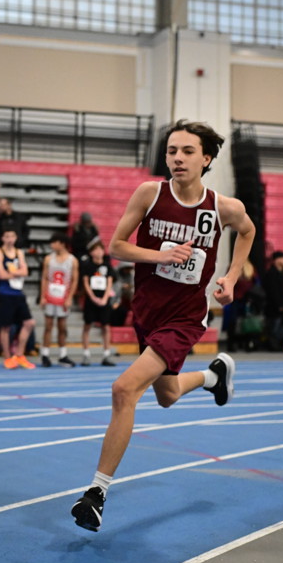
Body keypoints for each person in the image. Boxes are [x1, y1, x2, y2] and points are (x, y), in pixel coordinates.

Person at [71, 119, 254, 532]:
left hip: (185, 317)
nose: (177, 158)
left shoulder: (222, 207)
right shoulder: (149, 194)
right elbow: (117, 246)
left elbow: (247, 231)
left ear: (206, 158)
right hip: (147, 311)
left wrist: (230, 276)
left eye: (187, 151)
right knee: (167, 395)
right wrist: (160, 256)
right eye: (172, 151)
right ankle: (213, 376)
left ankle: (96, 493)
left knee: (124, 389)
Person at [0, 228, 36, 369]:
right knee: (6, 326)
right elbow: (1, 274)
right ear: (2, 238)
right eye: (7, 236)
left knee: (29, 323)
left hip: (18, 292)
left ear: (16, 238)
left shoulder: (19, 252)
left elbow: (26, 271)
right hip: (5, 293)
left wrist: (11, 273)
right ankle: (7, 357)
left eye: (12, 236)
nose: (10, 239)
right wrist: (18, 273)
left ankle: (19, 355)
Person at [39, 232, 78, 368]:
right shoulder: (48, 259)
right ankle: (45, 354)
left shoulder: (72, 260)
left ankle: (62, 355)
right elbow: (44, 278)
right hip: (50, 295)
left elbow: (74, 280)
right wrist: (43, 296)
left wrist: (70, 297)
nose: (52, 245)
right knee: (48, 326)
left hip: (63, 296)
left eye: (54, 242)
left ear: (62, 243)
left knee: (62, 327)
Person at [80, 238, 116, 366]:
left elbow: (109, 283)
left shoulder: (107, 265)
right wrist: (92, 297)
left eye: (100, 249)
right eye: (95, 250)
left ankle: (106, 354)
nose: (99, 252)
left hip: (104, 299)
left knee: (106, 326)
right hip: (91, 299)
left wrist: (105, 298)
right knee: (87, 325)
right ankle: (86, 354)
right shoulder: (87, 266)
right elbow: (85, 283)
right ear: (91, 252)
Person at [262, 251, 283, 351]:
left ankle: (273, 342)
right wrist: (279, 305)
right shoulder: (271, 273)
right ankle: (272, 343)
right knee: (275, 325)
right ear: (277, 260)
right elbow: (273, 291)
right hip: (275, 305)